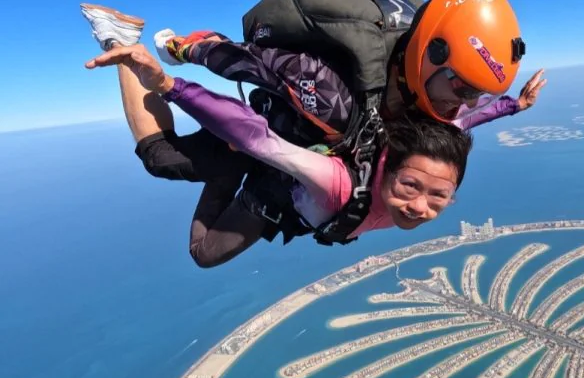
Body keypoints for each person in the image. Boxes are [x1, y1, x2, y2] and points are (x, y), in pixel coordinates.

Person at [85, 39, 473, 267]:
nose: (419, 206)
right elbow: (257, 139)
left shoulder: (431, 153)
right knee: (164, 163)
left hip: (279, 180)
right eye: (410, 186)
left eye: (439, 197)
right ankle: (120, 41)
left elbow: (475, 115)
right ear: (388, 169)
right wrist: (169, 86)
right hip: (267, 169)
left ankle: (226, 166)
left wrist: (500, 97)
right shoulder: (338, 185)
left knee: (203, 243)